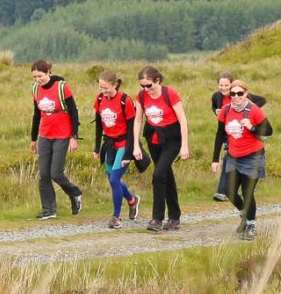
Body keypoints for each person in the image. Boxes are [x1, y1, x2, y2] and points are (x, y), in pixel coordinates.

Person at [133, 66, 189, 232]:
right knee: (166, 175)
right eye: (142, 86)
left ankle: (157, 218)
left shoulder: (169, 93)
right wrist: (136, 145)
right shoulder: (142, 96)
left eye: (149, 85)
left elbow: (182, 120)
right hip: (153, 138)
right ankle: (174, 217)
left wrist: (184, 145)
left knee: (158, 175)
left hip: (172, 138)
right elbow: (137, 120)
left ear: (157, 80)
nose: (146, 89)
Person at [212, 79, 269, 240]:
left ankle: (251, 225)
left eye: (239, 93)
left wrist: (252, 127)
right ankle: (245, 214)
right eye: (232, 94)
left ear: (245, 94)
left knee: (247, 192)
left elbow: (268, 130)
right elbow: (220, 135)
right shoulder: (225, 110)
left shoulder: (254, 110)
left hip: (253, 156)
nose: (236, 97)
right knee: (229, 191)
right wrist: (215, 159)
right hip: (233, 156)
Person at [29, 59, 84, 219]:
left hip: (62, 135)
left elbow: (74, 112)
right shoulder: (35, 89)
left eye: (40, 76)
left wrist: (74, 137)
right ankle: (49, 210)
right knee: (44, 175)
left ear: (48, 73)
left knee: (56, 173)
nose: (38, 80)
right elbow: (36, 114)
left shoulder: (61, 87)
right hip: (45, 135)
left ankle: (75, 193)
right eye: (34, 77)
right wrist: (33, 140)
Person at [92, 71, 141, 228]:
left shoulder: (125, 101)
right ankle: (132, 200)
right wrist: (97, 148)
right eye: (100, 87)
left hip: (124, 144)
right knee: (114, 181)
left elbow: (132, 128)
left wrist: (129, 153)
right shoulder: (100, 99)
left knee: (114, 180)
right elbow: (99, 125)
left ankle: (116, 217)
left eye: (105, 87)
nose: (103, 90)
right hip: (109, 146)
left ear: (114, 85)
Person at [210, 72, 265, 201]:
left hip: (245, 134)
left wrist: (250, 114)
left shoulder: (240, 95)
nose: (224, 88)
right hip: (229, 132)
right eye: (221, 85)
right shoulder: (216, 96)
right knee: (230, 159)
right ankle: (226, 191)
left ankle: (225, 191)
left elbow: (261, 100)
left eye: (226, 85)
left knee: (230, 159)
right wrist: (216, 111)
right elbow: (216, 111)